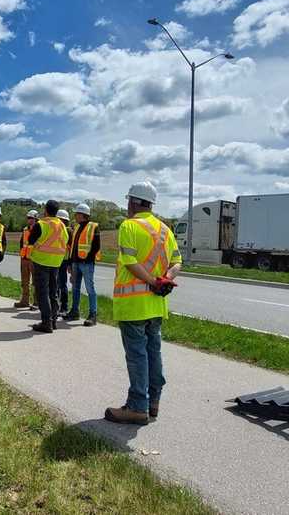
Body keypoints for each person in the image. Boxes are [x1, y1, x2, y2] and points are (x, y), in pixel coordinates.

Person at [104, 182, 181, 426]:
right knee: (153, 352)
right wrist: (166, 279)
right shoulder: (165, 230)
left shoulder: (129, 225)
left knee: (137, 355)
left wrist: (152, 282)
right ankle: (153, 402)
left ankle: (137, 407)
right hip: (156, 305)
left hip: (133, 303)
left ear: (133, 202)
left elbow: (129, 261)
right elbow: (178, 261)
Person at [27, 199, 69, 333]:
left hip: (41, 261)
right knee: (53, 291)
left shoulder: (42, 224)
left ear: (45, 210)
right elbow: (66, 239)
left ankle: (46, 322)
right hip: (56, 262)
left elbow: (31, 240)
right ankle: (53, 320)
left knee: (42, 292)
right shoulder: (62, 225)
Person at [67, 203, 101, 325]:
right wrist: (70, 263)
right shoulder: (76, 227)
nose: (75, 216)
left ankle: (93, 314)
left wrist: (88, 259)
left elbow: (96, 246)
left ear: (83, 215)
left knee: (90, 289)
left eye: (77, 214)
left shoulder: (93, 227)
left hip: (87, 263)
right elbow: (73, 247)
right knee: (75, 288)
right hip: (76, 262)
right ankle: (74, 312)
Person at [16, 209, 39, 309]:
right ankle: (25, 301)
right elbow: (22, 243)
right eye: (28, 218)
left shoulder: (39, 230)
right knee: (24, 281)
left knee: (35, 281)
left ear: (36, 219)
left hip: (34, 259)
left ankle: (36, 302)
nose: (29, 220)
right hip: (24, 258)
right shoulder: (25, 229)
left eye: (31, 218)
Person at [55, 208, 71, 319]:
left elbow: (70, 248)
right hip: (56, 260)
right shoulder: (57, 230)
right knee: (56, 285)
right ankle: (57, 307)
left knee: (62, 284)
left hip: (63, 260)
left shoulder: (68, 231)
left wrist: (70, 263)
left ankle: (64, 307)